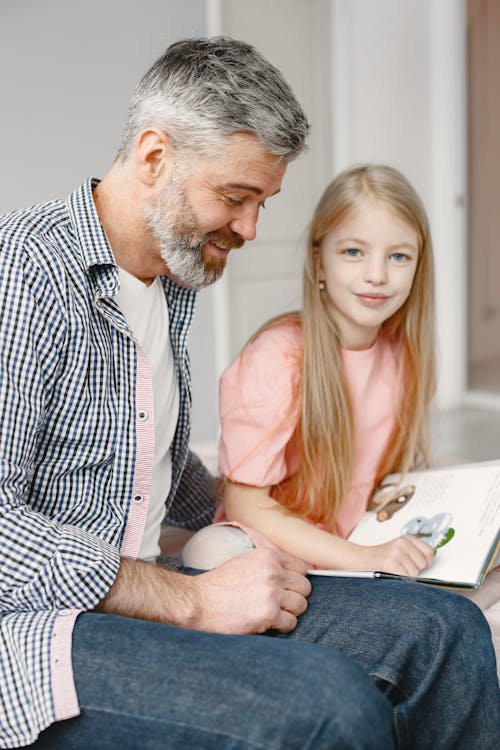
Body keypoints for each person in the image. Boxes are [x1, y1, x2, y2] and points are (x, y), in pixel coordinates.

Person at [0, 37, 498, 750]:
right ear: (153, 157)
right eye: (235, 198)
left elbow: (149, 473)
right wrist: (195, 599)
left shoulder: (168, 288)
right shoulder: (23, 274)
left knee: (444, 632)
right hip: (41, 632)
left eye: (262, 203)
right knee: (330, 706)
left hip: (153, 579)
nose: (250, 229)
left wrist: (256, 533)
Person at [182, 165, 437, 576]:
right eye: (353, 252)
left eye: (399, 256)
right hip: (284, 541)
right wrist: (363, 559)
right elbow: (247, 505)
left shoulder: (401, 356)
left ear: (417, 267)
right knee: (211, 551)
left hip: (355, 534)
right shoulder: (280, 358)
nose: (377, 274)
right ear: (319, 264)